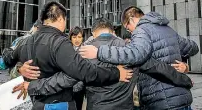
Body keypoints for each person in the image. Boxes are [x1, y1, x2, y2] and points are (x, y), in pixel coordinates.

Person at [14, 18, 193, 110]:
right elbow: (159, 68)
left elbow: (69, 82)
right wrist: (185, 80)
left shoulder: (84, 52)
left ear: (93, 32)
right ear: (113, 31)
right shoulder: (129, 50)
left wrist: (33, 86)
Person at [8, 1, 132, 110]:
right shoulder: (130, 49)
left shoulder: (24, 42)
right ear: (61, 19)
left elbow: (4, 60)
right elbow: (81, 73)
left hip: (38, 102)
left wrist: (20, 69)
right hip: (60, 103)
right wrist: (116, 73)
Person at [79, 6, 199, 110]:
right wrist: (185, 67)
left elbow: (135, 55)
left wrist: (99, 52)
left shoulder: (140, 32)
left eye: (127, 28)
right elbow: (193, 47)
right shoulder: (168, 29)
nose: (130, 32)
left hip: (160, 99)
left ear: (131, 19)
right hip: (181, 96)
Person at [69, 26, 85, 110]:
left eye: (79, 37)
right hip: (66, 86)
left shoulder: (86, 50)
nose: (77, 40)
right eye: (74, 37)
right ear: (70, 38)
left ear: (82, 38)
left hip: (80, 86)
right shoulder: (66, 49)